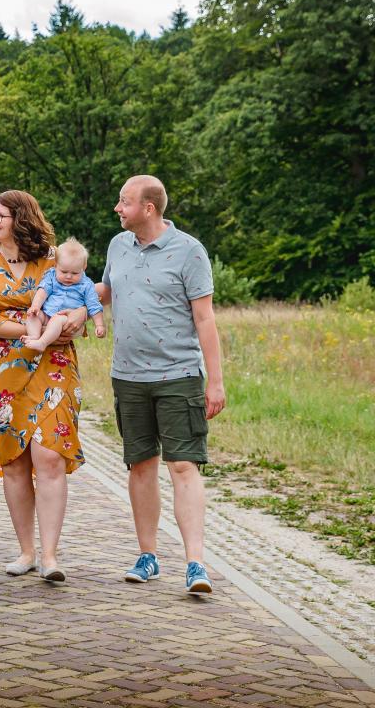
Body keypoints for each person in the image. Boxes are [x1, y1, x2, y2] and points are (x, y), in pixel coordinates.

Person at [97, 175, 225, 595]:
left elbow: (205, 319)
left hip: (179, 376)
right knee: (141, 465)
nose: (118, 208)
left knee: (183, 465)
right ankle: (147, 556)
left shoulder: (189, 251)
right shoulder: (118, 246)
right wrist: (62, 296)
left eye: (124, 201)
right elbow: (106, 292)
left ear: (148, 208)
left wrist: (215, 382)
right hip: (128, 376)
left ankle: (195, 563)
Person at [0, 190, 88, 582]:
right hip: (1, 374)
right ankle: (27, 550)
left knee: (48, 455)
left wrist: (73, 321)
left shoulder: (53, 259)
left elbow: (83, 297)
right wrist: (36, 330)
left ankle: (50, 556)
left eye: (0, 216)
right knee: (14, 461)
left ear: (21, 219)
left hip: (53, 366)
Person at [23, 237, 106, 351]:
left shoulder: (86, 285)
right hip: (48, 314)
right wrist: (36, 306)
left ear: (83, 268)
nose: (68, 276)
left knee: (57, 319)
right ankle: (34, 336)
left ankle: (42, 343)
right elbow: (42, 291)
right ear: (56, 265)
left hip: (67, 320)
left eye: (75, 273)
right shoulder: (51, 276)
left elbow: (94, 305)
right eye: (64, 272)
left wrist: (99, 325)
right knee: (33, 316)